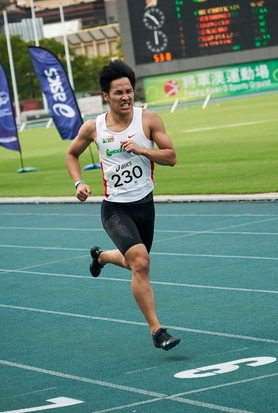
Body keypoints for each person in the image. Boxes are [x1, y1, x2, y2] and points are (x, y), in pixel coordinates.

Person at [65, 59, 180, 351]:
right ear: (106, 95)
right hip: (116, 209)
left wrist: (142, 149)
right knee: (141, 262)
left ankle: (102, 257)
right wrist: (79, 183)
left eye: (129, 90)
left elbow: (171, 157)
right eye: (118, 92)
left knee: (133, 263)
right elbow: (71, 155)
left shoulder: (149, 119)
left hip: (145, 206)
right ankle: (157, 331)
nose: (125, 96)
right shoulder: (94, 128)